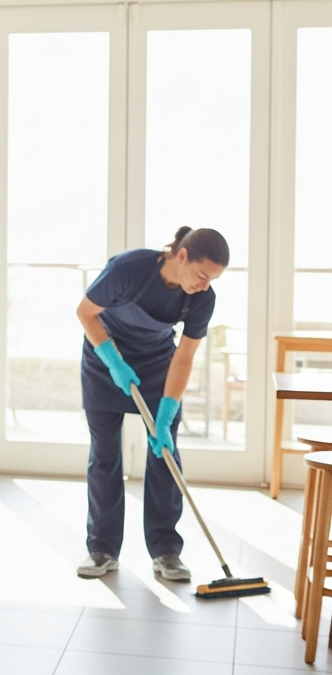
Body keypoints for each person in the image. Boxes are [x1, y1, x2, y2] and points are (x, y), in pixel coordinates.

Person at [75, 227, 228, 582]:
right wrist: (112, 360)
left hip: (159, 363)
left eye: (213, 279)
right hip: (105, 358)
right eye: (202, 275)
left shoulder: (202, 298)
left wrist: (168, 410)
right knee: (105, 454)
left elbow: (186, 355)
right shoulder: (129, 269)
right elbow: (85, 313)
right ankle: (101, 548)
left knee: (165, 455)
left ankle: (166, 551)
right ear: (182, 256)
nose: (205, 285)